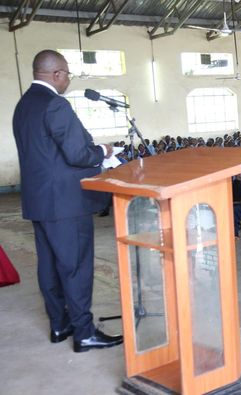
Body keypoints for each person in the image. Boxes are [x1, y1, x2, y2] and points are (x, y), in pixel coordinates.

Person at [12, 49, 123, 352]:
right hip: (66, 203)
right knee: (75, 267)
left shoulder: (23, 106)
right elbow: (77, 154)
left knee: (48, 265)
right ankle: (84, 333)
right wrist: (104, 152)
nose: (69, 80)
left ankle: (59, 325)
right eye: (68, 74)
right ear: (57, 74)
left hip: (40, 202)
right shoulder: (55, 104)